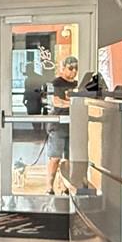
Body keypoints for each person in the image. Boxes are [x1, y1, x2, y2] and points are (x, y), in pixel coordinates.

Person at [46, 55, 80, 194]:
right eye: (70, 68)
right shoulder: (56, 83)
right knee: (55, 157)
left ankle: (64, 186)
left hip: (74, 125)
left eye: (76, 68)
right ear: (63, 68)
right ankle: (49, 186)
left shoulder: (78, 85)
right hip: (58, 125)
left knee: (69, 158)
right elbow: (57, 102)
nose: (74, 71)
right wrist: (74, 103)